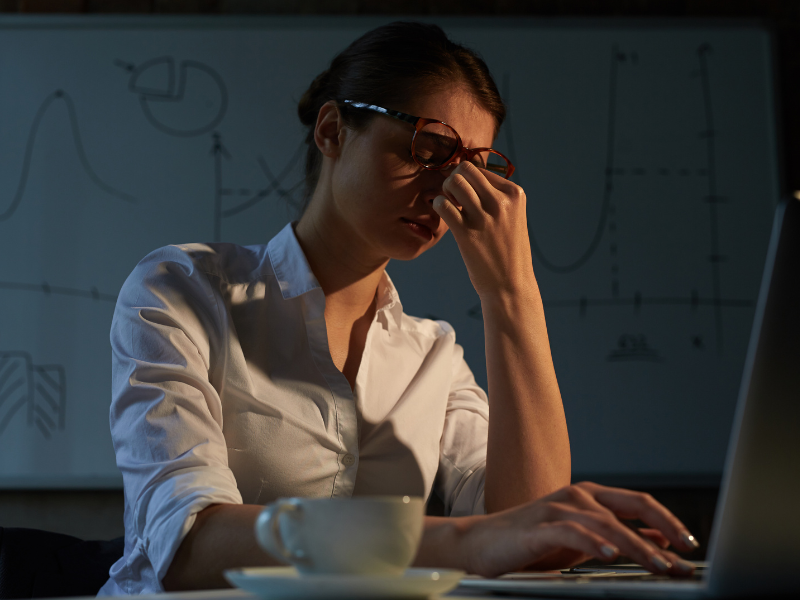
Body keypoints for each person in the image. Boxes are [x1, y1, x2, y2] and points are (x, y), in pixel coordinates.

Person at [98, 21, 699, 596]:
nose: (446, 191)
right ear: (332, 131)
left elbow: (529, 537)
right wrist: (464, 541)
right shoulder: (183, 290)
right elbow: (190, 548)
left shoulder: (433, 353)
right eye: (429, 149)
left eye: (472, 169)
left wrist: (512, 293)